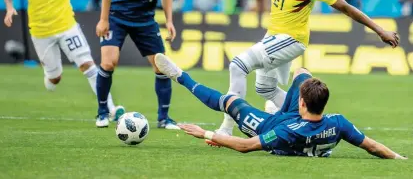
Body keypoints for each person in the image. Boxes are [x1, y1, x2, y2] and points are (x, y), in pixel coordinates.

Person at [186, 0, 400, 139]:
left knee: (237, 65)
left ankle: (226, 129)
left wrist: (380, 30)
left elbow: (345, 7)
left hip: (292, 39)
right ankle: (308, 122)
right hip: (274, 36)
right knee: (265, 89)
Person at [155, 53, 407, 159]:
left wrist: (206, 133)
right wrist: (397, 157)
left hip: (269, 125)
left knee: (231, 101)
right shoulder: (338, 122)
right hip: (296, 119)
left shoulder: (285, 132)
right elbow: (371, 146)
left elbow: (246, 146)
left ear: (301, 102)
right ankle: (272, 95)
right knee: (303, 72)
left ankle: (180, 76)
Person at [2, 0, 124, 121]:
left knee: (88, 65)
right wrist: (9, 8)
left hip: (68, 26)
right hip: (41, 32)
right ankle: (49, 76)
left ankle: (110, 108)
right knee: (55, 77)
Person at [95, 0, 182, 129]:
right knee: (109, 63)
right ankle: (102, 113)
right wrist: (104, 19)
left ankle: (163, 118)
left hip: (145, 20)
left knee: (162, 67)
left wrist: (169, 20)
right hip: (117, 16)